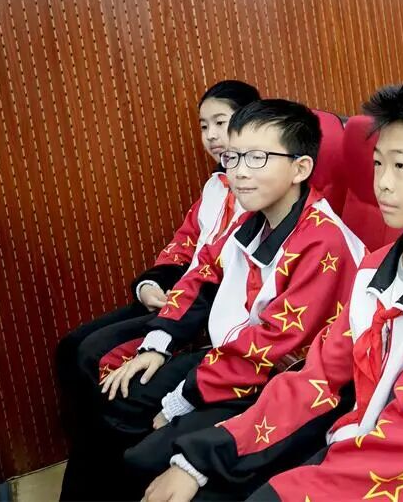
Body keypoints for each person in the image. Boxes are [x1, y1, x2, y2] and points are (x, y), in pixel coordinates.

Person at [141, 78, 403, 502]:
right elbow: (317, 375)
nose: (383, 182)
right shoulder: (376, 265)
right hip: (362, 430)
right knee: (171, 468)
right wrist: (202, 459)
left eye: (401, 166)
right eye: (378, 163)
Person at [64, 100, 365, 500]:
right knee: (116, 401)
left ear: (300, 168)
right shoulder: (250, 221)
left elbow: (274, 346)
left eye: (257, 158)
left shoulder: (323, 241)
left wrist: (183, 397)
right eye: (234, 157)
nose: (239, 171)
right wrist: (159, 343)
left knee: (143, 454)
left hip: (281, 380)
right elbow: (203, 276)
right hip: (231, 358)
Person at [57, 79, 259, 497]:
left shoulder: (260, 195)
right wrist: (151, 284)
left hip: (204, 313)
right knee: (70, 347)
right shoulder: (215, 186)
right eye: (204, 126)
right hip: (179, 295)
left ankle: (106, 460)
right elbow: (188, 244)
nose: (212, 136)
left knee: (93, 358)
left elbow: (220, 273)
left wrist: (165, 334)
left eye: (221, 123)